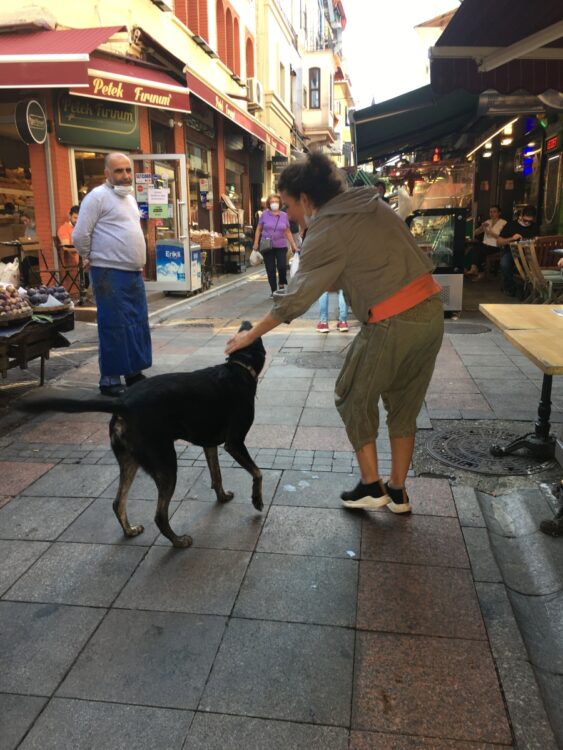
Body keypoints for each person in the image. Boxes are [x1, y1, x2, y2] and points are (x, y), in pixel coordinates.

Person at [226, 153, 444, 514]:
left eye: (291, 205)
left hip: (392, 321)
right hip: (431, 315)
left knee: (351, 393)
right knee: (403, 404)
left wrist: (251, 336)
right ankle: (398, 491)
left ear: (307, 199)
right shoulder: (372, 205)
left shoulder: (329, 227)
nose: (291, 214)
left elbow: (294, 299)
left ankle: (372, 485)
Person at [72, 152, 152, 397]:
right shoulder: (96, 197)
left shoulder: (128, 198)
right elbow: (80, 236)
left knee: (136, 323)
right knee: (114, 326)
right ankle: (109, 380)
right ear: (107, 173)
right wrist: (91, 257)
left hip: (132, 272)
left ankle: (133, 373)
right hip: (109, 272)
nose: (125, 175)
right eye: (118, 171)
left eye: (128, 170)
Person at [253, 194, 299, 296]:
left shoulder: (284, 215)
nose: (274, 204)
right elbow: (258, 229)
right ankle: (273, 290)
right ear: (269, 204)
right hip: (267, 245)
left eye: (276, 202)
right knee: (270, 269)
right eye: (272, 202)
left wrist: (293, 245)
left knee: (282, 266)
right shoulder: (264, 215)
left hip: (281, 245)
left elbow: (287, 231)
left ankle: (281, 284)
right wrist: (256, 242)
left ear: (280, 203)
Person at [497, 206, 538, 294]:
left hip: (529, 253)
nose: (527, 223)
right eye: (525, 220)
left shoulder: (535, 227)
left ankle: (530, 289)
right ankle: (511, 287)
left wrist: (535, 241)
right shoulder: (511, 225)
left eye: (530, 221)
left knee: (537, 264)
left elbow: (537, 241)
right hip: (512, 252)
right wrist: (512, 238)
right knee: (504, 264)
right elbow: (499, 242)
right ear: (521, 216)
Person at [466, 205, 506, 281]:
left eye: (494, 212)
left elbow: (503, 238)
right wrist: (481, 227)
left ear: (499, 213)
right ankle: (474, 270)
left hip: (495, 246)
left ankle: (477, 270)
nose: (492, 214)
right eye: (490, 212)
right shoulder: (488, 222)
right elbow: (475, 233)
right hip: (485, 245)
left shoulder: (503, 223)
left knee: (477, 249)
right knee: (471, 250)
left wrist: (490, 233)